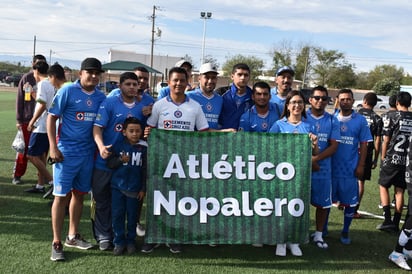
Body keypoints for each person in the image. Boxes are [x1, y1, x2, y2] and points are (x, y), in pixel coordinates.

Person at [142, 66, 209, 254]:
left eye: (182, 80)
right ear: (169, 82)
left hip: (183, 161)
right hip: (161, 159)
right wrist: (149, 133)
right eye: (175, 80)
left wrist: (225, 133)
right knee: (157, 197)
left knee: (178, 199)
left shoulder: (195, 106)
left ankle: (174, 237)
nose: (179, 83)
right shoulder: (160, 105)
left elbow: (204, 133)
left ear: (188, 83)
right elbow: (150, 130)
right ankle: (153, 236)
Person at [47, 57, 106, 261]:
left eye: (97, 73)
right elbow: (51, 117)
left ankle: (72, 235)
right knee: (60, 196)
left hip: (88, 153)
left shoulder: (100, 97)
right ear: (80, 73)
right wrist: (53, 147)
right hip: (66, 152)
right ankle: (56, 242)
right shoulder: (67, 91)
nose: (93, 76)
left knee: (79, 195)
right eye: (89, 72)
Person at [92, 72, 144, 251]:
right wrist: (100, 147)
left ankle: (126, 237)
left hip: (130, 165)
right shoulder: (109, 103)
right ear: (120, 86)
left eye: (134, 84)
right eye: (128, 84)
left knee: (126, 204)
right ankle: (104, 236)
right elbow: (97, 128)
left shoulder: (144, 106)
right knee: (103, 200)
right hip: (106, 161)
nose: (131, 87)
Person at [269, 90, 319, 257]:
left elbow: (315, 153)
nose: (297, 105)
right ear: (288, 106)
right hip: (281, 174)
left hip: (301, 175)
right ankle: (280, 241)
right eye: (293, 102)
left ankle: (294, 241)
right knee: (281, 207)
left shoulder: (309, 126)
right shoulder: (279, 125)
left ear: (304, 106)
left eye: (300, 102)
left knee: (297, 208)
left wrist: (314, 144)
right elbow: (266, 147)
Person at [331, 88, 372, 245]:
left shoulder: (360, 120)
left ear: (353, 101)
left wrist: (361, 165)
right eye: (342, 99)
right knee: (328, 202)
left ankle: (345, 231)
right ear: (338, 100)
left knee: (349, 203)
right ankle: (324, 230)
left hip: (350, 169)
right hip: (332, 168)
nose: (345, 101)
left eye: (348, 99)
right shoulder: (332, 117)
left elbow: (364, 144)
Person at [106, 117, 147, 256]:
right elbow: (110, 163)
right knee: (117, 215)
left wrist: (143, 188)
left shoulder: (144, 147)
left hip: (135, 190)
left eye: (137, 131)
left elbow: (145, 170)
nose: (134, 134)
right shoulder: (118, 145)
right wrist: (119, 160)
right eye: (131, 131)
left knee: (132, 217)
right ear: (124, 132)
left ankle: (130, 241)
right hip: (118, 187)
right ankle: (119, 242)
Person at [306, 86, 340, 249]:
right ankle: (299, 232)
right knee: (299, 202)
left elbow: (334, 146)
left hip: (323, 169)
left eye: (324, 99)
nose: (320, 101)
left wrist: (315, 159)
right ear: (310, 99)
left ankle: (319, 235)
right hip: (302, 170)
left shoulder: (333, 119)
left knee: (322, 204)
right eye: (317, 98)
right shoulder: (301, 116)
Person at [377, 92, 412, 232]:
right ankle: (396, 222)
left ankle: (387, 220)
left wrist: (383, 157)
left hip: (392, 157)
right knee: (399, 191)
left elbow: (386, 139)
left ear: (397, 102)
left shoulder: (392, 116)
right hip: (407, 160)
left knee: (383, 185)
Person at [13, 54, 47, 185]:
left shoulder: (48, 81)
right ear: (32, 64)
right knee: (24, 150)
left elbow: (45, 102)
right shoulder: (26, 78)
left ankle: (42, 179)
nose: (40, 66)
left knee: (42, 152)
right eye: (38, 64)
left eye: (42, 64)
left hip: (43, 121)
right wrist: (19, 120)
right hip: (28, 120)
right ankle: (18, 175)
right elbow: (20, 99)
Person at [25, 61, 54, 193]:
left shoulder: (42, 84)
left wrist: (32, 121)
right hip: (48, 124)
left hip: (41, 126)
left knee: (32, 156)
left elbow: (42, 105)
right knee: (41, 156)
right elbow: (44, 102)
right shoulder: (50, 83)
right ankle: (40, 185)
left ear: (36, 70)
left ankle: (52, 181)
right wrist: (32, 93)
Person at [354, 92, 382, 218]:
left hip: (352, 149)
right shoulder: (377, 119)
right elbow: (377, 140)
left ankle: (342, 202)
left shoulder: (357, 114)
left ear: (364, 101)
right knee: (361, 181)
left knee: (347, 177)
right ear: (375, 104)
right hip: (367, 153)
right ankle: (354, 209)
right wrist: (376, 159)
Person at [186, 63, 223, 130]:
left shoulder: (220, 99)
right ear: (199, 78)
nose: (210, 81)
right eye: (207, 77)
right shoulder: (189, 96)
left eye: (213, 77)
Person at [219, 63, 253, 129]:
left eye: (246, 75)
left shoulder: (253, 96)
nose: (243, 78)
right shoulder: (221, 93)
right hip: (223, 136)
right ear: (232, 76)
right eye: (239, 74)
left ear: (249, 77)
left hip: (245, 137)